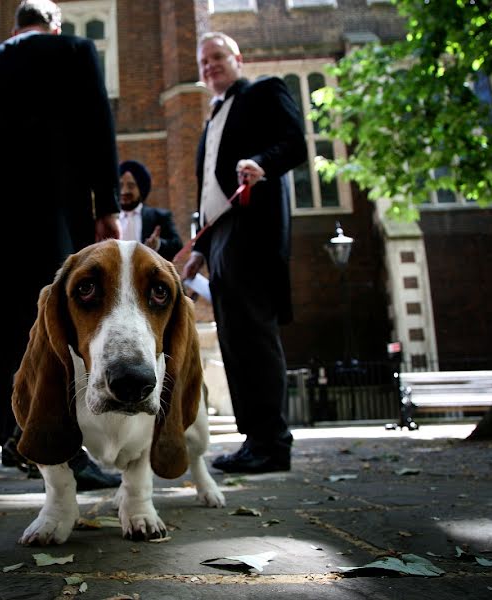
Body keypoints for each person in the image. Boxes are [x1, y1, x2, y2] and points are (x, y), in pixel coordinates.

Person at [0, 0, 121, 493]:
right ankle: (63, 453)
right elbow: (97, 128)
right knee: (57, 331)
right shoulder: (75, 52)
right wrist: (107, 206)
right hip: (51, 219)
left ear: (15, 27)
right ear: (53, 25)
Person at [181, 32, 307, 474]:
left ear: (237, 58)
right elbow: (211, 196)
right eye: (203, 61)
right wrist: (199, 249)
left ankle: (273, 442)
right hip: (222, 238)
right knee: (234, 340)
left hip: (255, 230)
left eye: (217, 57)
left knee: (254, 333)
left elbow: (296, 144)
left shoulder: (265, 91)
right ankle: (254, 440)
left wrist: (263, 164)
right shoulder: (210, 119)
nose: (209, 66)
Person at [118, 160, 183, 261]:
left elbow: (177, 246)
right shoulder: (108, 220)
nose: (124, 191)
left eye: (131, 186)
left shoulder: (159, 216)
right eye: (120, 186)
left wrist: (158, 244)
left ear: (141, 188)